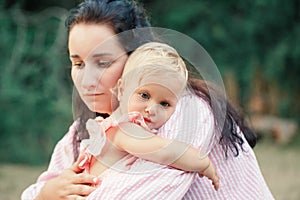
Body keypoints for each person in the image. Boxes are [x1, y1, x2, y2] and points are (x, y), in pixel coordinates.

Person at [22, 0, 274, 199]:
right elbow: (33, 192)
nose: (87, 80)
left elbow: (140, 194)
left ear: (136, 58)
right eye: (77, 63)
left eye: (103, 63)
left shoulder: (184, 110)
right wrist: (48, 194)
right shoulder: (83, 132)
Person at [77, 42, 219, 190]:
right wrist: (203, 162)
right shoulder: (124, 129)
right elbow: (164, 151)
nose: (151, 109)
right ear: (121, 90)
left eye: (164, 104)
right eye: (144, 95)